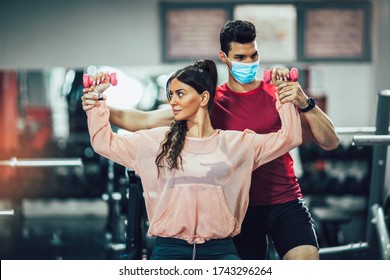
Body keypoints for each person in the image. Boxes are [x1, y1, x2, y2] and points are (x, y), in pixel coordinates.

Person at [82, 20, 339, 260]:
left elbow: (329, 142)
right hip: (238, 209)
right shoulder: (208, 102)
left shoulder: (279, 94)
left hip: (284, 200)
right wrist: (97, 104)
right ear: (224, 58)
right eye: (240, 57)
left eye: (254, 56)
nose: (249, 63)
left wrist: (302, 101)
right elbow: (144, 120)